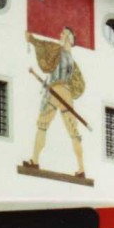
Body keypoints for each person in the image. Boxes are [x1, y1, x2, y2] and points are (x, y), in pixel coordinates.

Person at [24, 27, 85, 177]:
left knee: (48, 127)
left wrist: (32, 39)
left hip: (58, 92)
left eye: (64, 33)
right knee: (53, 127)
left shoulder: (59, 52)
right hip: (59, 93)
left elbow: (43, 45)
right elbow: (42, 45)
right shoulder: (62, 55)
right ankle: (36, 160)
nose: (60, 35)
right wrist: (31, 39)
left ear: (70, 38)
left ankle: (35, 161)